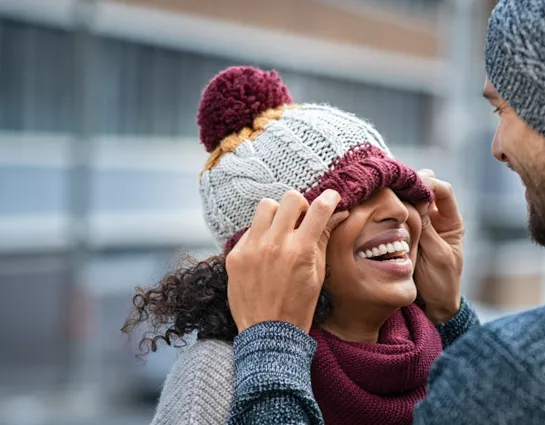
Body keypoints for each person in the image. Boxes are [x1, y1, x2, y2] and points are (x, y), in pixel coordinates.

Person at [222, 0, 545, 424]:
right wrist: (451, 319)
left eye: (502, 111)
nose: (498, 146)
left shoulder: (524, 373)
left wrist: (270, 349)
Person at [121, 65, 479, 425]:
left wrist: (452, 318)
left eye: (399, 189)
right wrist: (274, 350)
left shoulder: (447, 350)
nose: (398, 210)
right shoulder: (217, 375)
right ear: (273, 251)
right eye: (355, 197)